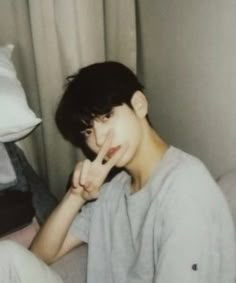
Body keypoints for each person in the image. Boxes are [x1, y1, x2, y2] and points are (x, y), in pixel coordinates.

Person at [0, 61, 235, 283]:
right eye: (88, 131)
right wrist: (76, 196)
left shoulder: (184, 187)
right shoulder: (113, 191)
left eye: (107, 116)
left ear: (139, 104)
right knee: (7, 256)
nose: (99, 139)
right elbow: (40, 256)